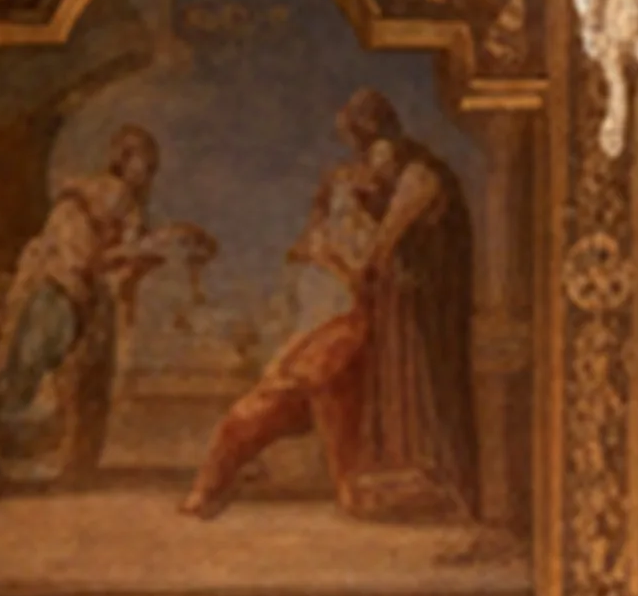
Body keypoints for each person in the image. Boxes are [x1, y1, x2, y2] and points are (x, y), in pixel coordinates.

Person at [182, 92, 479, 523]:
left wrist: (337, 260)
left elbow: (368, 270)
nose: (371, 171)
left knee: (325, 399)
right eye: (366, 165)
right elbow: (329, 262)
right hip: (325, 322)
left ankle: (338, 490)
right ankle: (210, 486)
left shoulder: (391, 205)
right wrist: (327, 257)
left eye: (379, 164)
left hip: (348, 324)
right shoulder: (341, 209)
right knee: (274, 402)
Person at [0, 124, 189, 533]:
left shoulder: (125, 205)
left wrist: (143, 255)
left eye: (151, 167)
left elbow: (118, 258)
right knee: (28, 371)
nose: (145, 175)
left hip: (83, 302)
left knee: (70, 378)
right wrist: (143, 249)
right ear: (122, 160)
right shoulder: (85, 201)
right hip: (55, 294)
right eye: (140, 164)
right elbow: (83, 257)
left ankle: (50, 458)